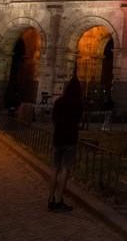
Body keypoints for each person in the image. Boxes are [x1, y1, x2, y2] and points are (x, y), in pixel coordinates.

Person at [48, 76, 83, 212]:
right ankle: (58, 200)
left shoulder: (58, 101)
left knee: (54, 168)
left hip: (57, 138)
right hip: (70, 139)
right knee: (65, 169)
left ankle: (50, 199)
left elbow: (54, 118)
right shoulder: (78, 103)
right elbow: (79, 119)